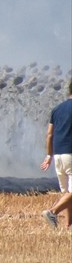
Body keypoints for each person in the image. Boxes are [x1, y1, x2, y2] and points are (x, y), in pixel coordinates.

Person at [39, 79, 72, 229]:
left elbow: (49, 135)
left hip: (58, 155)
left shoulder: (57, 109)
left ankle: (68, 225)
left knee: (67, 194)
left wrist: (49, 155)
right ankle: (52, 212)